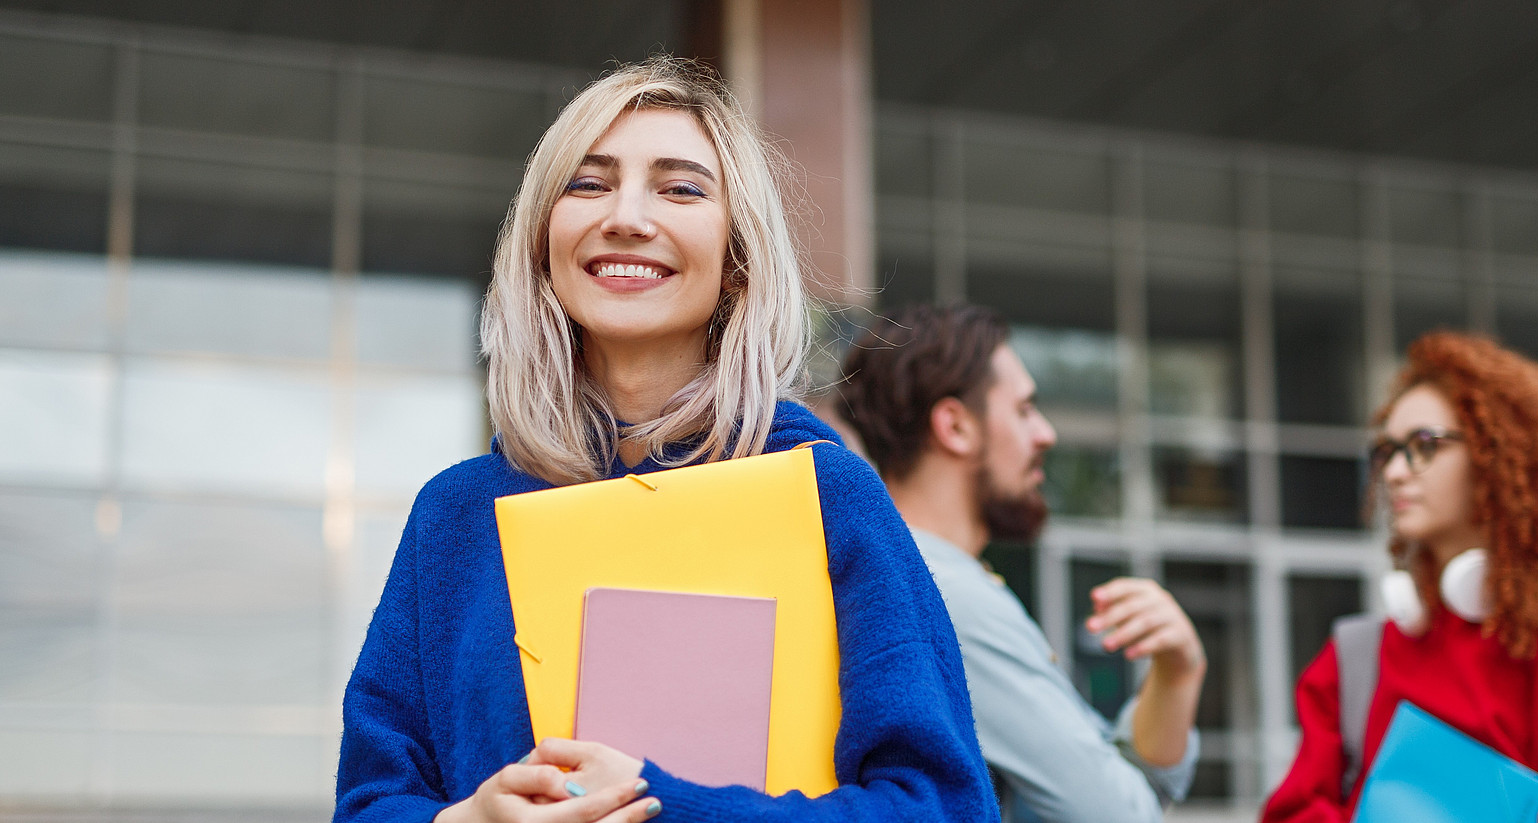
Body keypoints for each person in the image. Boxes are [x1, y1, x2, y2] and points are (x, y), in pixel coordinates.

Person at [333, 58, 995, 823]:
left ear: (737, 260)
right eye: (587, 184)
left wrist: (667, 805)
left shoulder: (824, 496)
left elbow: (943, 806)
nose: (626, 217)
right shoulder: (455, 515)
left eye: (680, 189)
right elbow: (369, 803)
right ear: (543, 243)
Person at [1260, 331, 1538, 822]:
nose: (1394, 472)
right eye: (1387, 451)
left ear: (1499, 454)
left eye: (1424, 445)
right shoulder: (1356, 659)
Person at [835, 303, 1205, 823]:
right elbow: (1117, 812)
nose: (1046, 433)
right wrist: (1183, 673)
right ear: (955, 426)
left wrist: (1177, 672)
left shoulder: (906, 574)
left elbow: (1110, 779)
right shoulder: (945, 594)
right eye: (1025, 410)